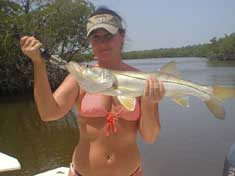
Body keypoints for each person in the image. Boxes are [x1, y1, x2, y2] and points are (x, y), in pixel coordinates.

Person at [20, 7, 164, 176]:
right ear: (90, 42)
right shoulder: (81, 77)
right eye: (96, 38)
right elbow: (48, 113)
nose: (102, 43)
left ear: (121, 37)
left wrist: (149, 102)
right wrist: (38, 63)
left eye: (108, 36)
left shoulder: (142, 80)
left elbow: (150, 137)